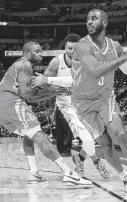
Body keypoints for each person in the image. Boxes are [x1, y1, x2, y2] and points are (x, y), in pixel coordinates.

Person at [71, 9, 127, 197]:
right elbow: (96, 71)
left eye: (94, 18)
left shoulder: (114, 45)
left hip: (105, 97)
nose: (89, 22)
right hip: (83, 103)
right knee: (106, 145)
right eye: (87, 19)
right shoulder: (82, 46)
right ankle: (125, 177)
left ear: (105, 22)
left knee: (120, 133)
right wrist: (126, 55)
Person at [0, 41, 92, 186]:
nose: (41, 54)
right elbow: (28, 95)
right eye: (37, 51)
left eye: (41, 51)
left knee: (29, 136)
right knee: (40, 135)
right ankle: (68, 173)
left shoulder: (20, 65)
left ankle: (34, 173)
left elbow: (28, 94)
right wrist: (58, 90)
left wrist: (54, 92)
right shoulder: (25, 64)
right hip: (9, 102)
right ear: (26, 53)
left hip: (3, 105)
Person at [32, 34, 111, 179]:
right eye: (69, 48)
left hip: (85, 103)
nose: (72, 51)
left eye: (75, 49)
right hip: (67, 106)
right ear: (65, 48)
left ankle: (79, 158)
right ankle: (95, 161)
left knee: (94, 137)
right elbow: (44, 84)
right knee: (87, 140)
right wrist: (54, 87)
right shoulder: (57, 62)